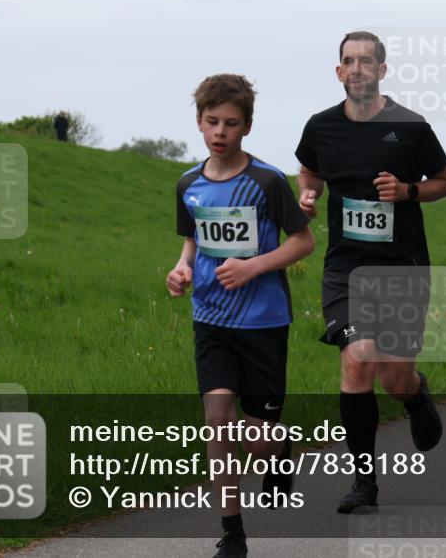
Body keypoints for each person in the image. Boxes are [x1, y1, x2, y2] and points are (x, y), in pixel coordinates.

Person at [295, 31, 446, 514]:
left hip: (402, 266)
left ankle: (414, 396)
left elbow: (444, 182)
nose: (358, 68)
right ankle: (365, 482)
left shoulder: (409, 126)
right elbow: (308, 170)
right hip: (347, 267)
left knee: (394, 376)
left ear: (383, 70)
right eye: (349, 61)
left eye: (367, 61)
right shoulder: (320, 127)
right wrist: (309, 194)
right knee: (358, 358)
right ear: (339, 72)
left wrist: (408, 191)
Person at [166, 74, 316, 558]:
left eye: (231, 123)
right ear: (199, 122)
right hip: (210, 318)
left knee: (257, 440)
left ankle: (278, 453)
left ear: (247, 126)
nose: (220, 132)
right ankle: (233, 533)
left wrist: (253, 266)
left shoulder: (266, 182)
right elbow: (192, 239)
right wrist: (182, 267)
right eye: (212, 122)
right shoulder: (188, 183)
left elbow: (302, 241)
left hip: (263, 323)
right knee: (217, 421)